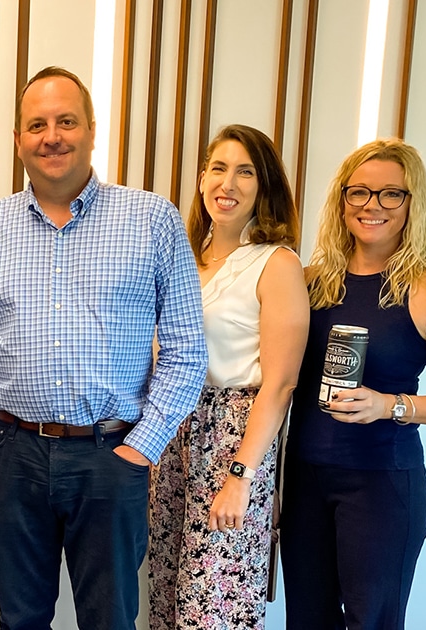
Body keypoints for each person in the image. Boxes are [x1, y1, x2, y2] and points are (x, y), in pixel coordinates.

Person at [0, 66, 208, 630]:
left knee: (109, 619)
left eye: (66, 121)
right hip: (12, 455)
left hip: (110, 455)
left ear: (92, 130)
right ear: (18, 140)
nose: (52, 136)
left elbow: (188, 351)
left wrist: (142, 447)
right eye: (36, 124)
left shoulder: (152, 220)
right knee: (20, 618)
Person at [281, 139, 426, 629]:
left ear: (410, 205)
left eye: (389, 195)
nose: (372, 205)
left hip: (380, 485)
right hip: (304, 481)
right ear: (341, 201)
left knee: (371, 622)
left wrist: (390, 405)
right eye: (358, 192)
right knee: (306, 622)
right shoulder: (311, 282)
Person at [147, 124, 309, 629]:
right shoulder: (182, 261)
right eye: (219, 168)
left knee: (214, 607)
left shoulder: (275, 264)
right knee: (166, 599)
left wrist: (241, 476)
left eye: (245, 172)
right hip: (173, 437)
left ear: (264, 187)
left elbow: (280, 384)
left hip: (233, 443)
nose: (229, 183)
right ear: (201, 179)